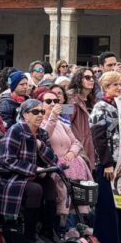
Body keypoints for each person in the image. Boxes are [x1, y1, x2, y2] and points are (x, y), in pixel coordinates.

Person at [0, 99, 59, 243]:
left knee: (50, 185)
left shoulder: (42, 133)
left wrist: (40, 146)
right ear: (25, 115)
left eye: (42, 111)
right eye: (35, 112)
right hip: (10, 178)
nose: (40, 115)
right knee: (35, 189)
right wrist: (33, 169)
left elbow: (53, 159)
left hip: (31, 176)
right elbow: (6, 160)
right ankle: (29, 235)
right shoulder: (16, 130)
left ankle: (48, 231)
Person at [39, 90, 92, 232]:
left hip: (73, 165)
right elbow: (45, 135)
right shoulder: (40, 123)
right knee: (64, 198)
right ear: (41, 105)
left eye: (55, 101)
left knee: (78, 197)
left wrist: (72, 152)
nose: (52, 104)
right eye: (48, 101)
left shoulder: (62, 124)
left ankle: (76, 227)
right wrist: (53, 116)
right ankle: (63, 229)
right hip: (57, 168)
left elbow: (76, 142)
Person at [89, 71, 121, 243]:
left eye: (119, 84)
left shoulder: (120, 105)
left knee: (120, 203)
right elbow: (99, 138)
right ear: (105, 87)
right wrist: (107, 163)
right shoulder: (100, 107)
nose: (118, 87)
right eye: (114, 85)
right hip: (107, 162)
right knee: (106, 204)